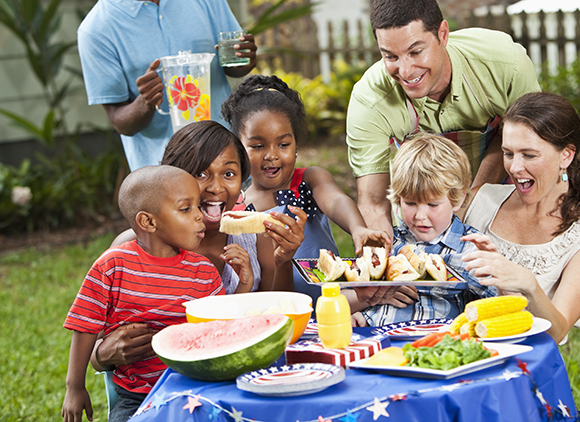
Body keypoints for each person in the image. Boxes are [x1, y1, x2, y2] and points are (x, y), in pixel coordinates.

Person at [91, 121, 306, 374]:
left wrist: (283, 260)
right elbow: (94, 342)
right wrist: (103, 354)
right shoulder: (132, 244)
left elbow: (278, 321)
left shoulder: (257, 238)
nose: (216, 188)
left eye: (228, 174)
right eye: (200, 174)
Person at [347, 0, 541, 237]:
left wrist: (469, 205)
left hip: (499, 189)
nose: (406, 71)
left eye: (416, 52)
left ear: (443, 34)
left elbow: (532, 146)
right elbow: (374, 203)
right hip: (420, 208)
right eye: (390, 57)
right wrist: (382, 263)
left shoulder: (506, 64)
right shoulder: (370, 100)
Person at [61, 165, 225, 422]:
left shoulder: (204, 271)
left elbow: (221, 330)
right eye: (186, 208)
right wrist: (75, 387)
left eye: (198, 206)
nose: (199, 216)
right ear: (148, 221)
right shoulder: (112, 266)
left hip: (198, 389)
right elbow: (84, 327)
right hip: (137, 396)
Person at [459, 92, 580, 345]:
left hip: (524, 367)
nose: (514, 168)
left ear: (566, 156)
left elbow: (557, 332)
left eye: (529, 155)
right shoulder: (481, 200)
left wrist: (528, 284)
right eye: (508, 153)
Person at [221, 75, 391, 305]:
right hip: (285, 307)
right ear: (239, 148)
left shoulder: (307, 181)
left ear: (296, 145)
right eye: (258, 146)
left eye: (283, 144)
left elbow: (335, 200)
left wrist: (357, 228)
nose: (271, 155)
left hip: (336, 301)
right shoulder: (241, 209)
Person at [77, 0, 258, 171]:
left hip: (228, 158)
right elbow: (121, 122)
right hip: (165, 178)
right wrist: (145, 102)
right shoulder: (95, 29)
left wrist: (243, 58)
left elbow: (236, 65)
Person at [358, 133, 497, 327]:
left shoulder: (469, 249)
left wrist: (495, 273)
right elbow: (355, 293)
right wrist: (363, 314)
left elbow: (498, 304)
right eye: (410, 203)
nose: (420, 216)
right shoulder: (391, 241)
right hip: (378, 338)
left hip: (434, 343)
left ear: (457, 199)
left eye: (432, 204)